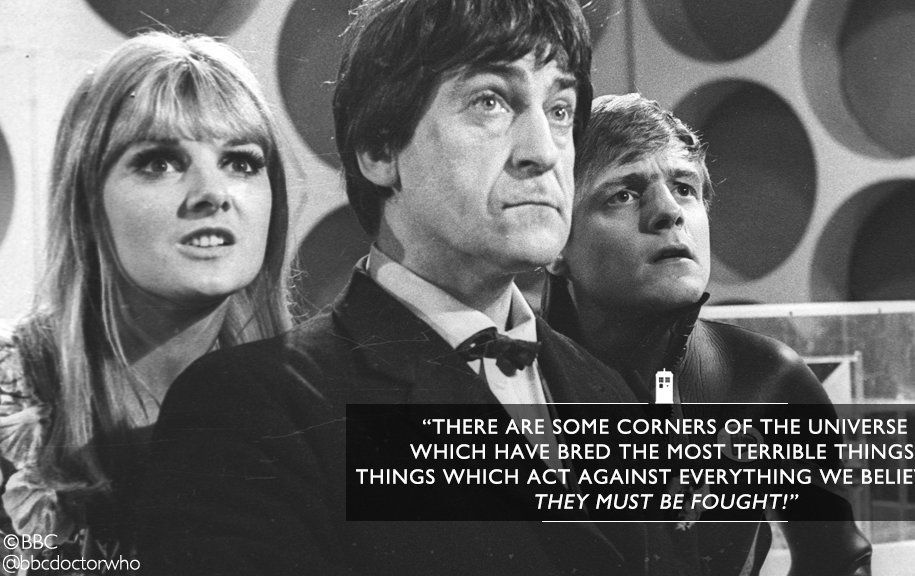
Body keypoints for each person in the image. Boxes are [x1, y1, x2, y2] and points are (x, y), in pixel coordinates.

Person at [135, 2, 700, 575]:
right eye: (490, 101)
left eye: (559, 110)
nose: (543, 151)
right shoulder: (257, 406)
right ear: (380, 151)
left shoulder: (610, 394)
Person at [545, 93, 873, 576]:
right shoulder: (514, 382)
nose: (668, 212)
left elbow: (841, 560)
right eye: (623, 194)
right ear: (554, 241)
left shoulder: (769, 378)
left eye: (684, 188)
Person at [0, 31, 291, 570]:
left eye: (241, 162)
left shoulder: (323, 399)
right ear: (87, 200)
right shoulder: (8, 390)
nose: (212, 193)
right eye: (160, 163)